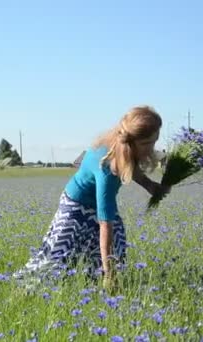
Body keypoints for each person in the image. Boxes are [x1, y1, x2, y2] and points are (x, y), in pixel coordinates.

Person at [12, 105, 169, 292]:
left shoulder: (119, 144)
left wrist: (150, 186)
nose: (152, 147)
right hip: (75, 205)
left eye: (155, 140)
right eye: (148, 143)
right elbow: (105, 224)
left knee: (117, 244)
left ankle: (93, 284)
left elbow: (129, 165)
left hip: (97, 202)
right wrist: (109, 275)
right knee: (56, 256)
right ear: (133, 143)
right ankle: (23, 289)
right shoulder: (108, 169)